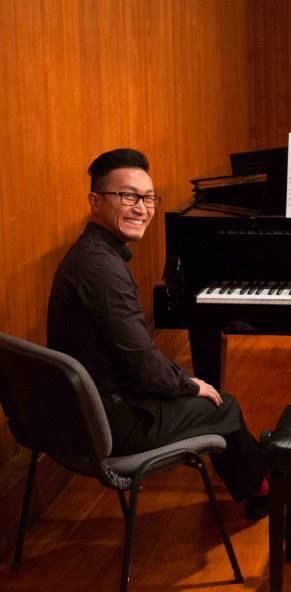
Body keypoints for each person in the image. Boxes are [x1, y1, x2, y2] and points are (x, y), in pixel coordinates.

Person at [47, 148, 269, 520]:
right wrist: (189, 384)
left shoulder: (90, 255)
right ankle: (263, 487)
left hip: (81, 410)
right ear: (95, 202)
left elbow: (135, 353)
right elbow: (142, 363)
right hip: (110, 423)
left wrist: (179, 379)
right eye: (128, 196)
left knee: (204, 394)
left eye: (148, 198)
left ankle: (261, 473)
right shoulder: (103, 272)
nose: (142, 208)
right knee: (222, 404)